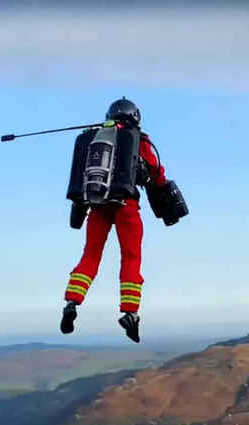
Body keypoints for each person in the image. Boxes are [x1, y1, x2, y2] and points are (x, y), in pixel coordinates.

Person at [60, 98, 168, 343]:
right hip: (126, 205)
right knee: (131, 257)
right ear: (135, 117)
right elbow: (155, 171)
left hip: (97, 205)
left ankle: (71, 304)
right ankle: (130, 313)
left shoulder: (95, 138)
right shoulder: (137, 139)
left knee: (90, 257)